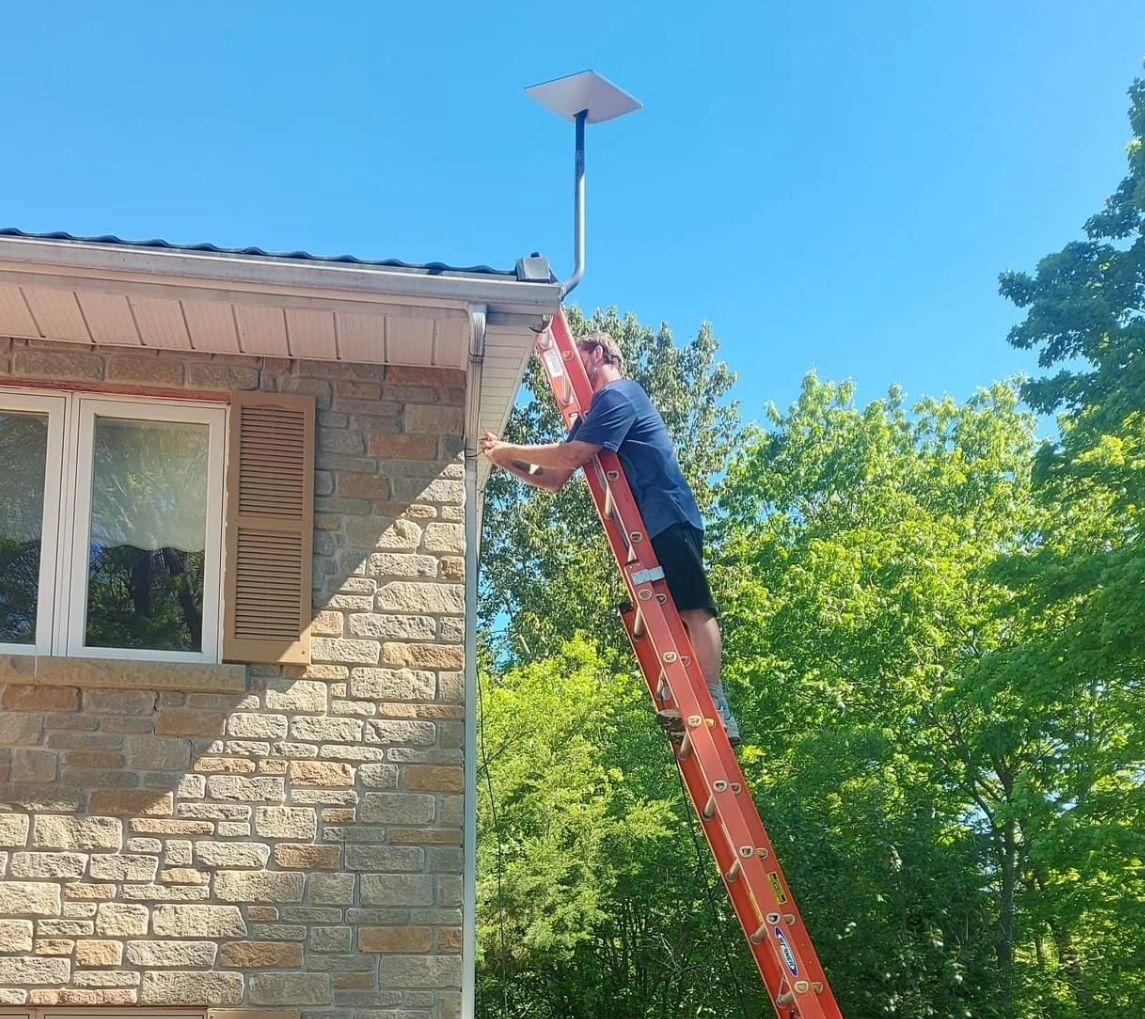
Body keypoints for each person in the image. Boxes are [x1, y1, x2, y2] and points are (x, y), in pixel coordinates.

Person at [478, 330, 741, 743]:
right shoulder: (593, 416)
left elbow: (571, 456)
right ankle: (692, 700)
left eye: (578, 358)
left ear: (598, 354)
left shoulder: (619, 395)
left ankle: (714, 702)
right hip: (647, 524)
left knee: (693, 609)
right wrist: (505, 458)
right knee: (673, 615)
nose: (573, 371)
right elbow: (553, 477)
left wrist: (511, 446)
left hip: (668, 514)